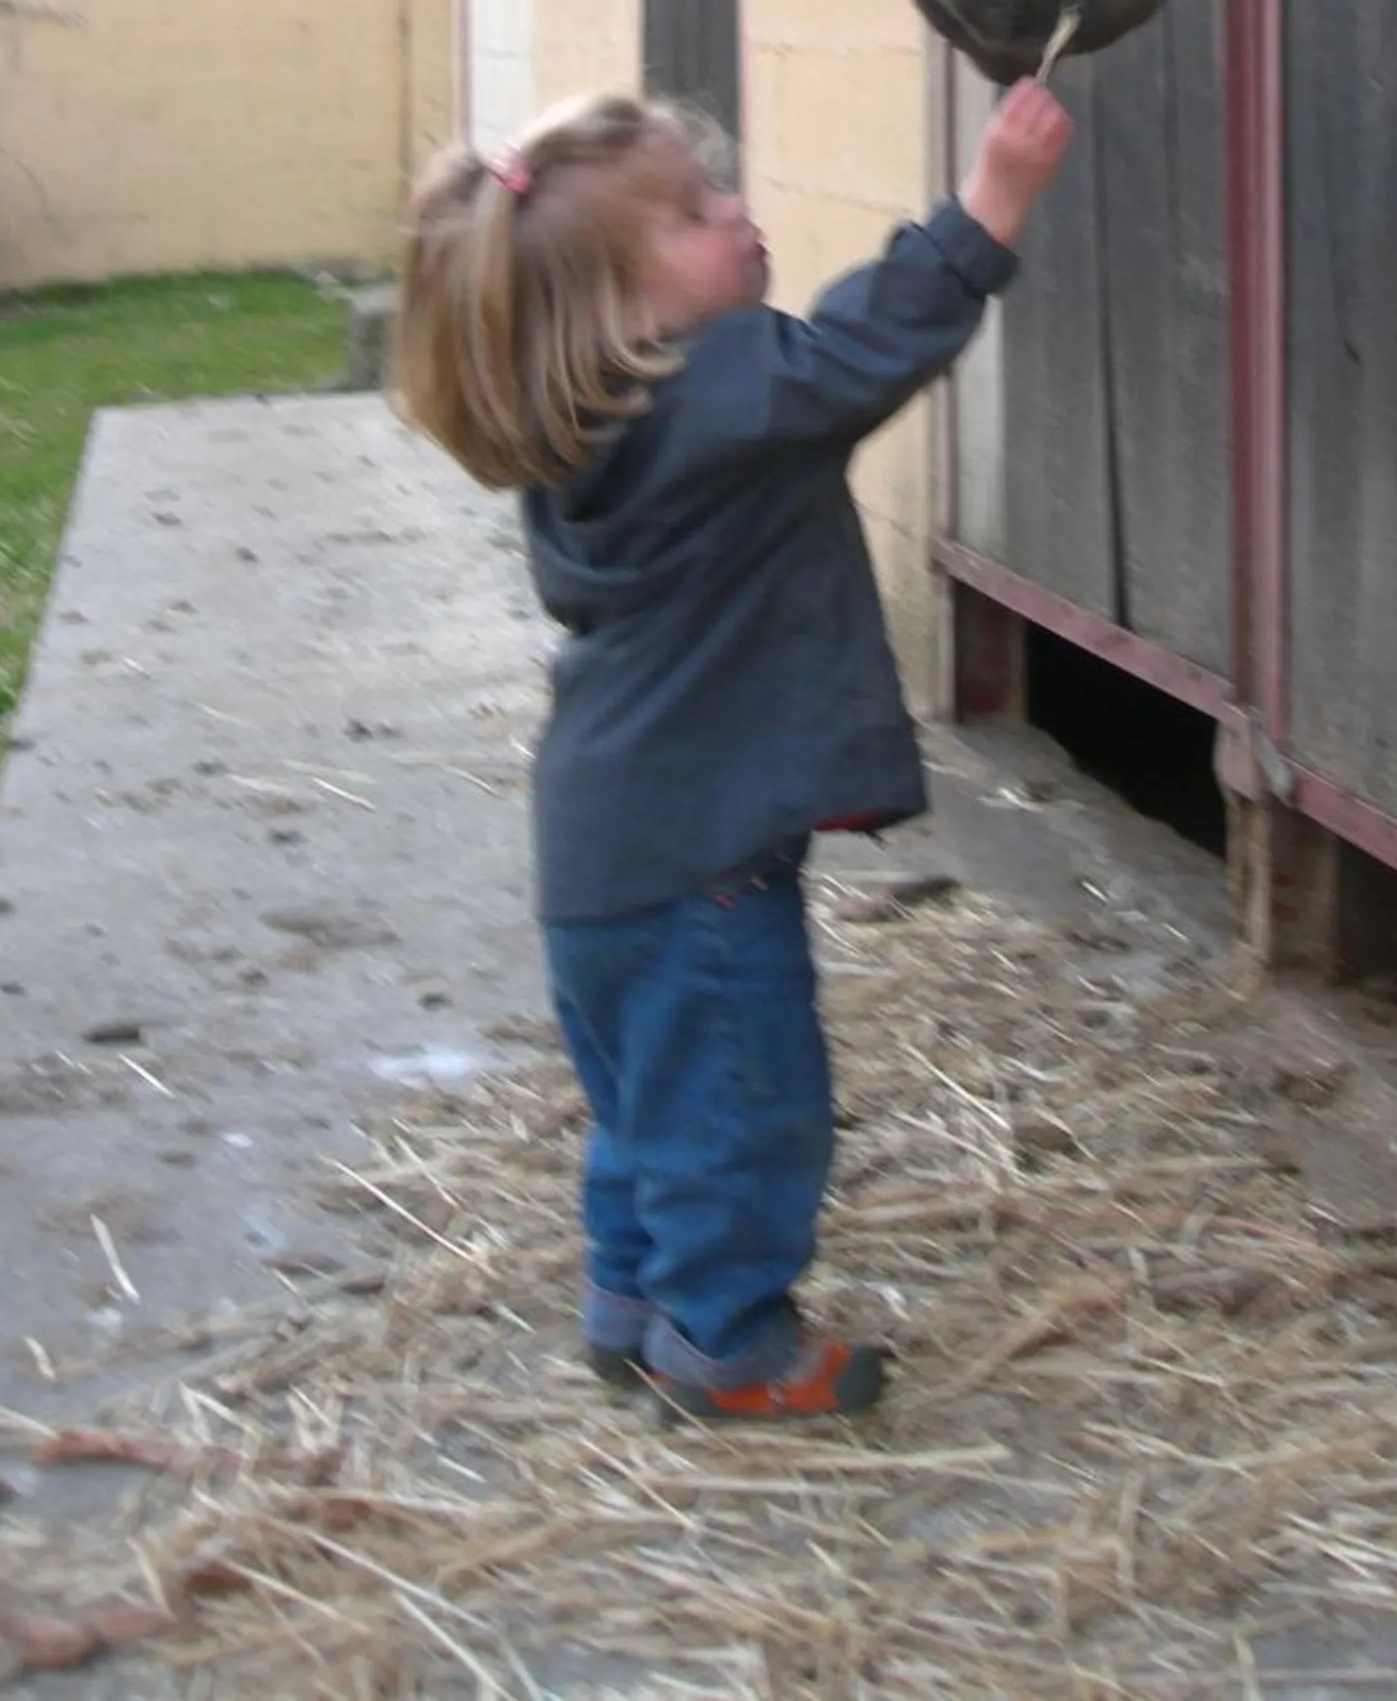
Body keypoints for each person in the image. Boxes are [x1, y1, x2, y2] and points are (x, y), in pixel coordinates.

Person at [393, 78, 1072, 1422]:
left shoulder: (586, 429)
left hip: (601, 852)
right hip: (692, 854)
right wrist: (991, 200)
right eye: (696, 213)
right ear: (622, 304)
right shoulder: (714, 394)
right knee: (745, 1109)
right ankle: (727, 1346)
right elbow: (860, 351)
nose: (737, 210)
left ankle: (629, 1303)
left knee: (650, 1103)